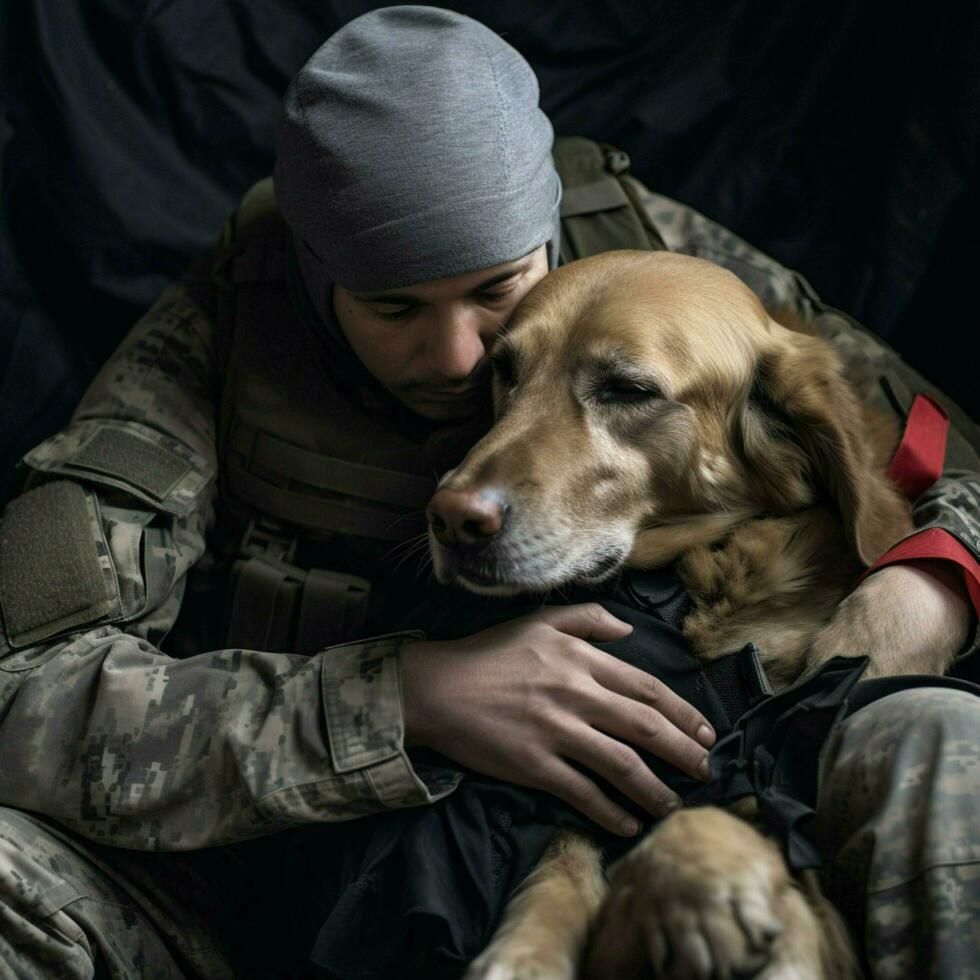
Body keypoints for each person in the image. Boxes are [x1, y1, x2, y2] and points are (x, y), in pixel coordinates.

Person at [0, 7, 977, 979]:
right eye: (394, 309)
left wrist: (931, 576)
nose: (460, 356)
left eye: (497, 290)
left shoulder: (632, 248)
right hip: (261, 867)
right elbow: (21, 690)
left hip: (658, 809)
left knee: (944, 740)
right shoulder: (217, 343)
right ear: (316, 269)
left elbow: (925, 444)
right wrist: (399, 698)